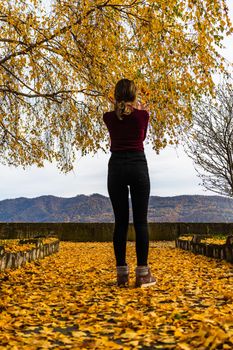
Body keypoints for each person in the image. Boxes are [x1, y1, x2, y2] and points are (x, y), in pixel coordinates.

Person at [103, 78, 157, 288]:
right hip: (137, 165)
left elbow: (116, 113)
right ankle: (143, 274)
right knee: (141, 222)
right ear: (134, 97)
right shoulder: (142, 115)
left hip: (116, 167)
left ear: (115, 96)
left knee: (121, 222)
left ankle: (121, 275)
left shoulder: (108, 117)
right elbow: (141, 136)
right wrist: (139, 108)